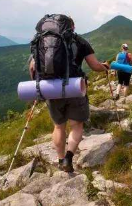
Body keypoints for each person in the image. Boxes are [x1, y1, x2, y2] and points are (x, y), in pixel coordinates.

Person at [29, 16, 109, 172]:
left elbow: (33, 67)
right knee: (76, 125)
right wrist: (104, 67)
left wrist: (39, 86)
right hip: (75, 88)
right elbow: (94, 66)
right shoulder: (79, 41)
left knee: (58, 127)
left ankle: (60, 160)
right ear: (72, 26)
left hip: (52, 89)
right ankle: (68, 158)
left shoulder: (41, 41)